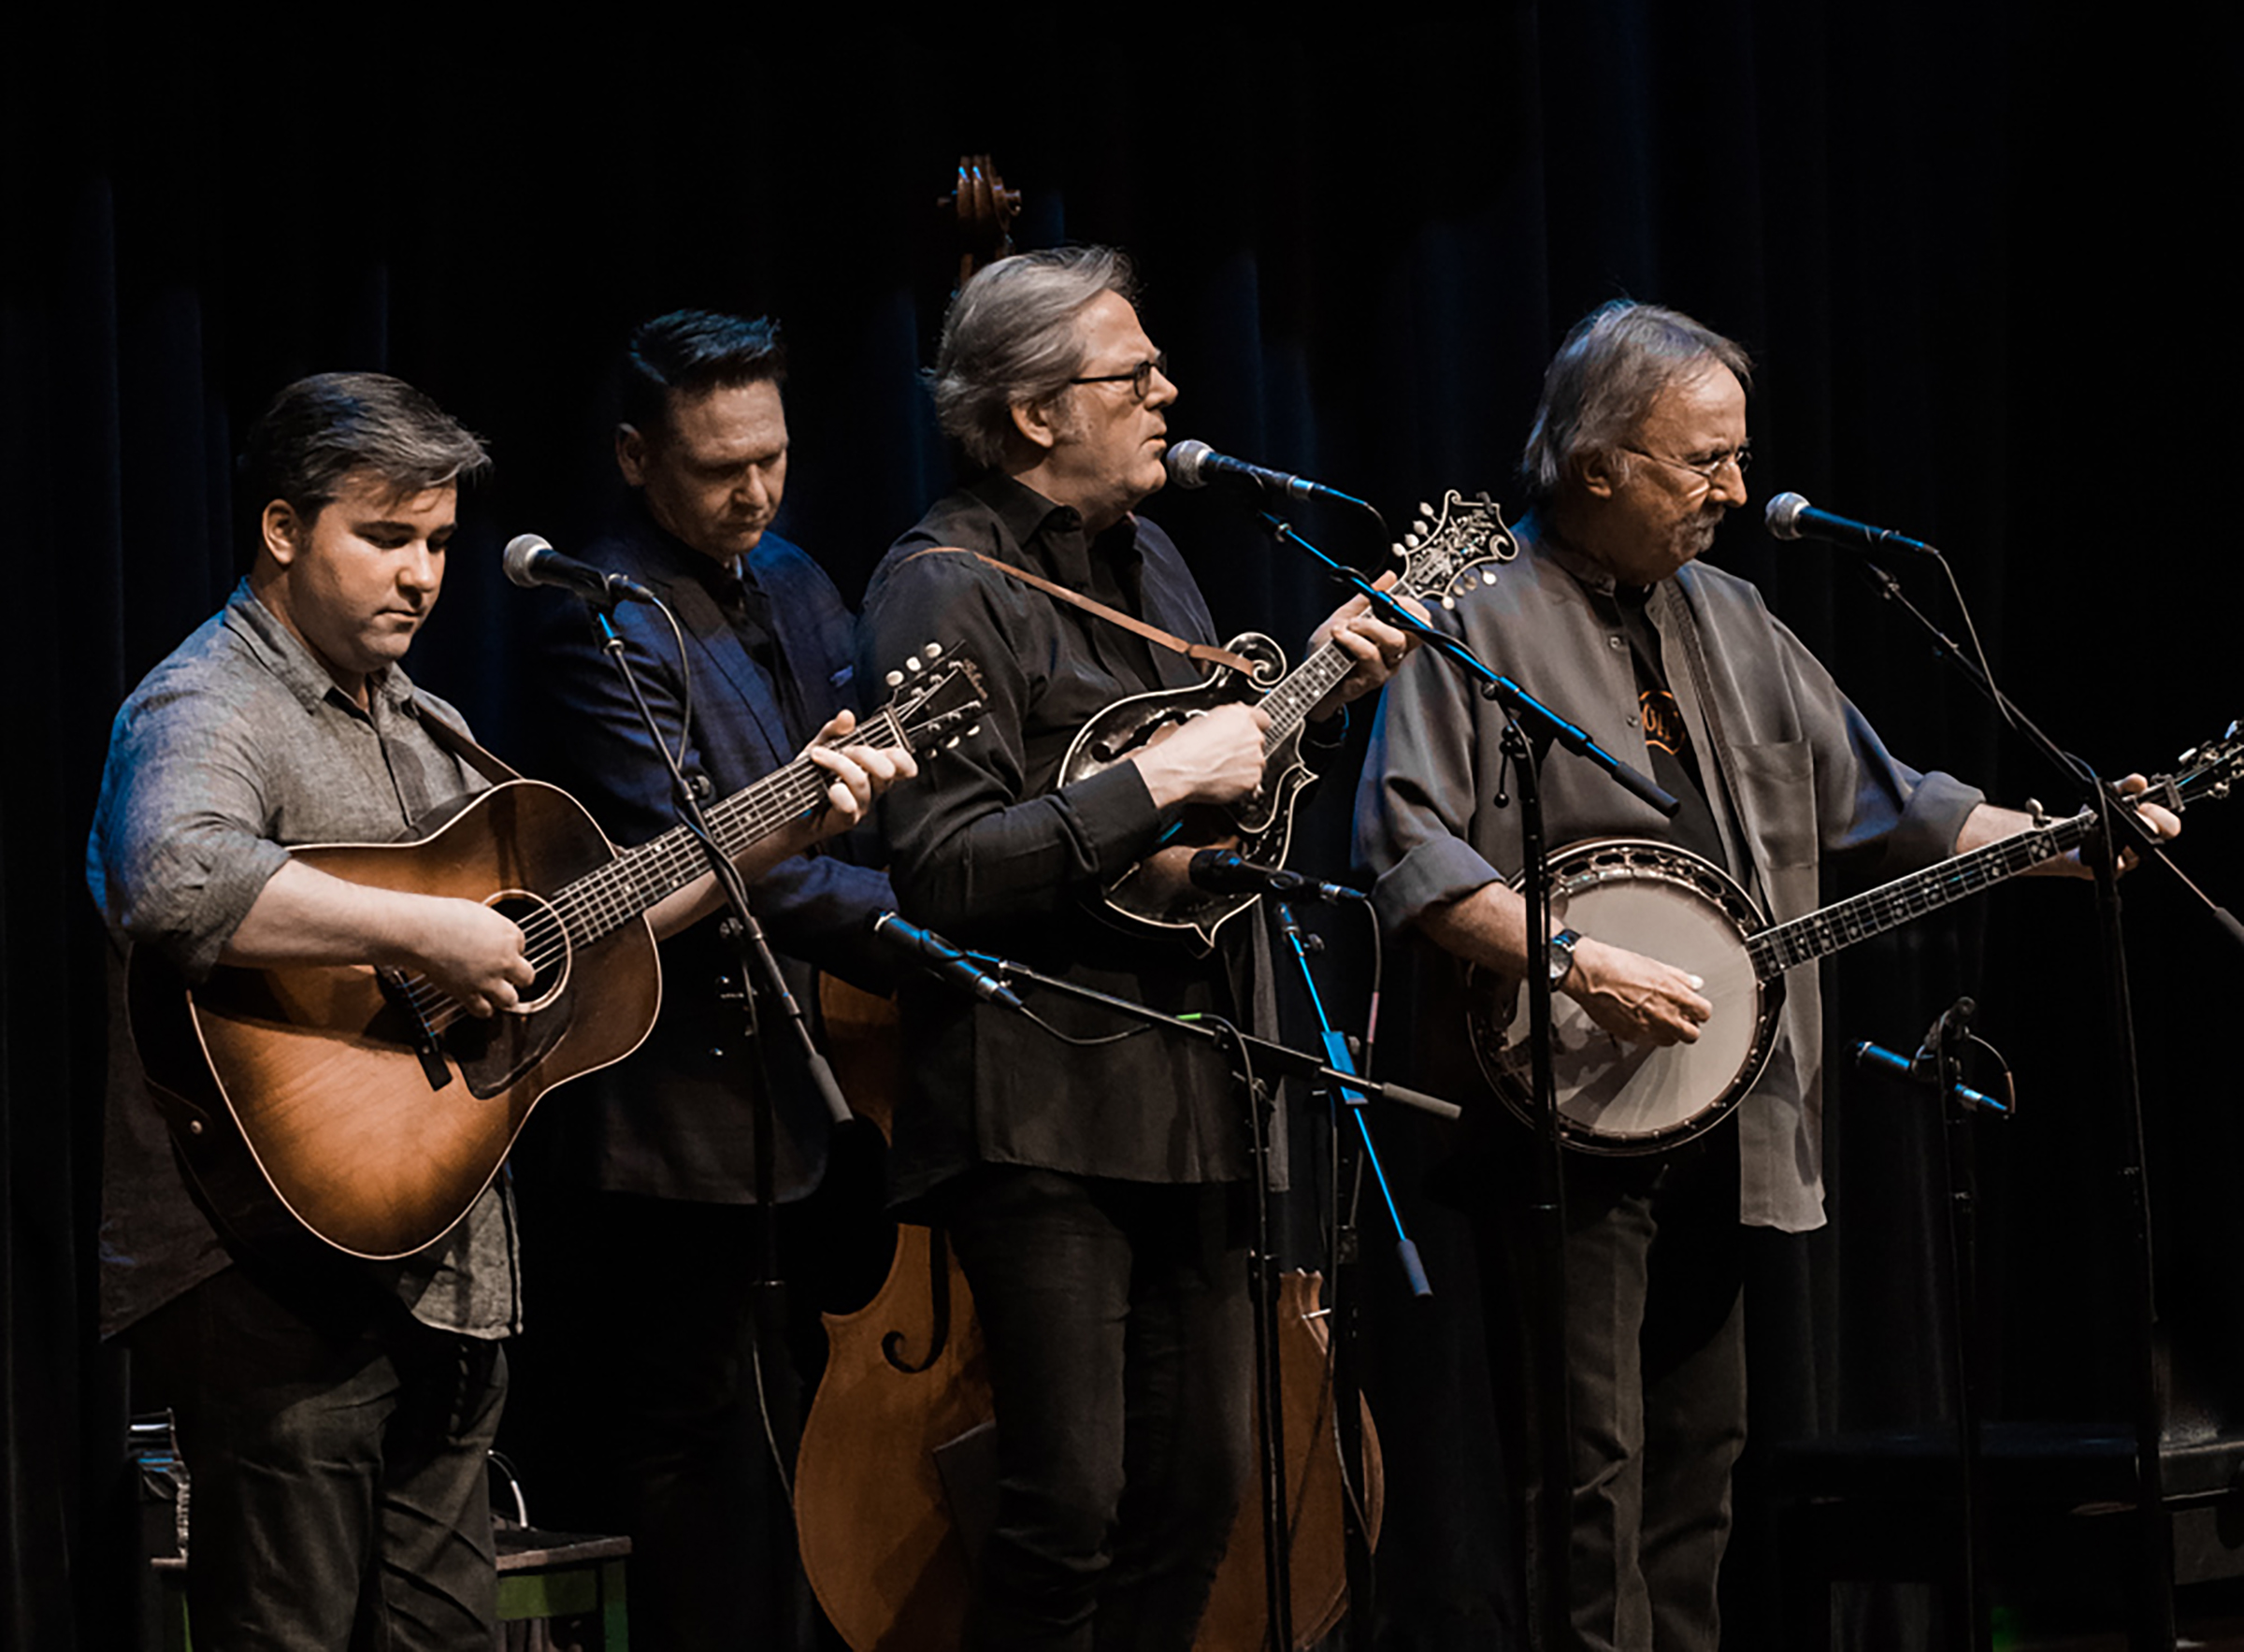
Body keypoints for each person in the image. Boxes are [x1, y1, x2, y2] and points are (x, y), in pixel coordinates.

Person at [1351, 300, 2178, 1650]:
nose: (1736, 489)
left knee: (1701, 1464)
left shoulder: (1731, 616)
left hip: (1725, 1103)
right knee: (1588, 1474)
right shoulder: (1474, 618)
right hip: (1561, 1113)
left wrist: (2065, 841)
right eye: (1703, 461)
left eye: (1739, 456)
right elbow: (1408, 849)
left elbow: (1893, 803)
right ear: (1596, 463)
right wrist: (1576, 960)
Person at [87, 370, 905, 1650]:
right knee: (290, 1630)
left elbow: (587, 925)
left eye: (437, 543)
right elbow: (174, 878)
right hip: (271, 1267)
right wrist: (427, 931)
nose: (420, 576)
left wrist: (783, 823)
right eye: (384, 537)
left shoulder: (433, 729)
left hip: (448, 1270)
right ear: (284, 529)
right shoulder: (210, 700)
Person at [856, 246, 1414, 1650]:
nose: (1170, 393)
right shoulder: (940, 586)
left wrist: (1322, 699)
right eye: (1135, 375)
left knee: (1201, 1492)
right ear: (1035, 411)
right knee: (1067, 1506)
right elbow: (944, 865)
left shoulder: (1154, 561)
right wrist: (1157, 778)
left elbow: (1209, 831)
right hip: (1037, 1106)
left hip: (1192, 1092)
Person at [507, 311, 901, 1650]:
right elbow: (699, 858)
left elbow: (844, 783)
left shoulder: (792, 574)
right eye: (719, 467)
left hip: (803, 1081)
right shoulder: (597, 615)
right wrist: (917, 927)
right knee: (681, 1436)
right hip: (665, 1108)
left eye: (772, 456)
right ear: (636, 457)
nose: (756, 491)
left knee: (789, 1415)